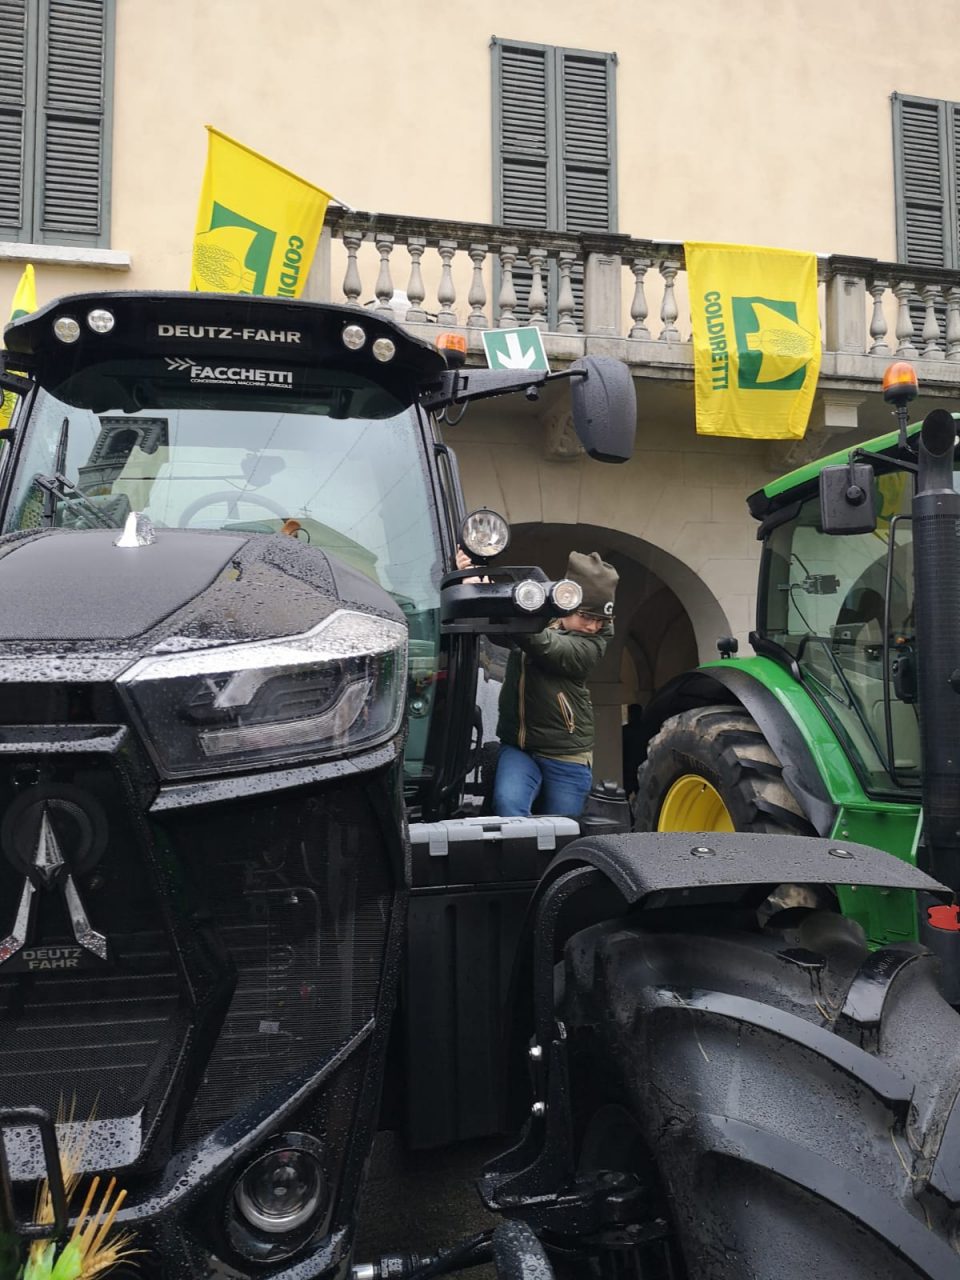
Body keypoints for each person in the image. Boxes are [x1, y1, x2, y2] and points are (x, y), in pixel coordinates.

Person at [492, 550, 618, 817]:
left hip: (566, 755)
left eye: (600, 620)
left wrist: (516, 612)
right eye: (586, 616)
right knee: (507, 806)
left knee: (564, 828)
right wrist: (475, 582)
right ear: (565, 603)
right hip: (519, 747)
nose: (593, 626)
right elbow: (496, 629)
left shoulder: (593, 644)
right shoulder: (541, 617)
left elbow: (548, 646)